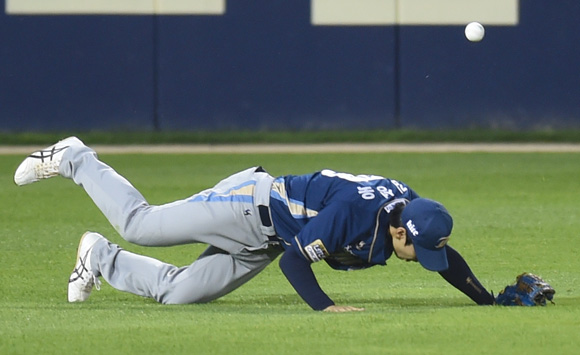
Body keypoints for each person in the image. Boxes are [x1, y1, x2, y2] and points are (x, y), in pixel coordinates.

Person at [14, 137, 495, 312]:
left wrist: (488, 300)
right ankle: (75, 158)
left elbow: (445, 257)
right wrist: (325, 309)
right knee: (140, 225)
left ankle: (99, 257)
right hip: (247, 205)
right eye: (418, 251)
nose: (423, 261)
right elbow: (295, 264)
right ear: (398, 231)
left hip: (266, 237)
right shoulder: (354, 213)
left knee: (180, 294)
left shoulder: (408, 210)